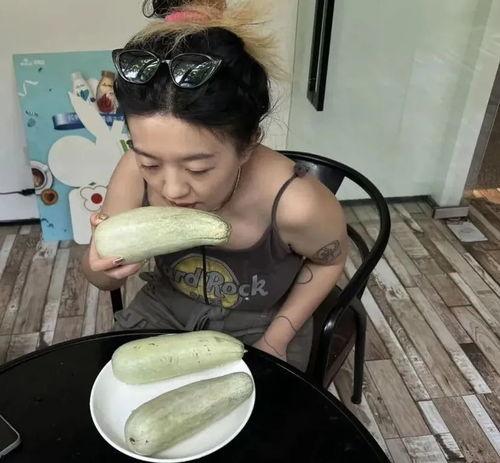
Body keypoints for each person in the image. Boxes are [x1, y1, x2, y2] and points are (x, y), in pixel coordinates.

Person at [82, 0, 347, 372]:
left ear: (248, 144)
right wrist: (101, 265)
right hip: (164, 307)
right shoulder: (132, 172)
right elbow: (98, 278)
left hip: (260, 322)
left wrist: (277, 337)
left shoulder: (296, 204)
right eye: (151, 162)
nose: (173, 190)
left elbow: (329, 261)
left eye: (198, 168)